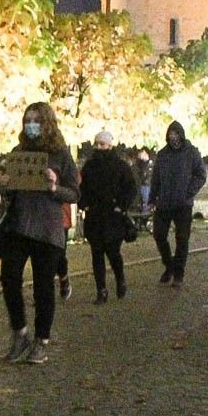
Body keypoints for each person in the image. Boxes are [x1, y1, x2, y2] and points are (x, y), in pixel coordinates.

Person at [0, 102, 79, 364]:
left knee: (43, 287)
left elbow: (75, 194)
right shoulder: (18, 152)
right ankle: (19, 332)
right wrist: (6, 185)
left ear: (46, 123)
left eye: (35, 120)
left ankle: (41, 340)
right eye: (27, 120)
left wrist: (55, 187)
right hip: (20, 226)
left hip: (47, 229)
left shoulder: (60, 154)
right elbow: (11, 193)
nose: (30, 125)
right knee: (9, 277)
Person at [78, 130, 137, 303]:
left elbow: (130, 188)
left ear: (110, 146)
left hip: (113, 216)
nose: (98, 147)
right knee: (97, 255)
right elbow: (82, 188)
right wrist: (84, 204)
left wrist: (121, 205)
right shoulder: (89, 166)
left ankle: (120, 280)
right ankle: (101, 290)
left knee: (113, 253)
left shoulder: (120, 166)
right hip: (95, 216)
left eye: (102, 144)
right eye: (97, 144)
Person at [149, 120, 206, 288]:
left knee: (182, 239)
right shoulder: (163, 154)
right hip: (164, 202)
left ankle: (178, 273)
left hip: (183, 204)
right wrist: (153, 199)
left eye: (175, 134)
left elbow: (201, 174)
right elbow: (156, 179)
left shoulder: (191, 153)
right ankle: (169, 265)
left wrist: (188, 192)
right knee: (159, 235)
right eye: (170, 135)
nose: (173, 138)